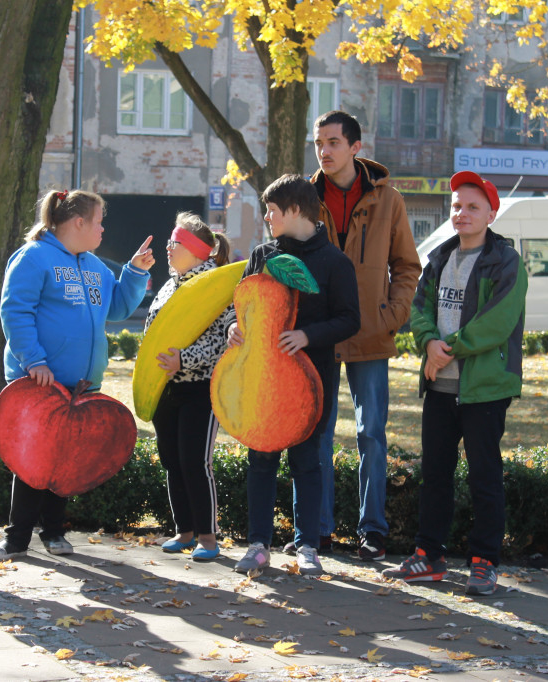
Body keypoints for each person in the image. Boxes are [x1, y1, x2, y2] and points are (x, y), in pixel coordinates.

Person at [0, 189, 154, 561]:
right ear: (78, 222)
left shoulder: (94, 266)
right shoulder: (33, 257)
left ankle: (54, 532)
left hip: (80, 386)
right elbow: (15, 311)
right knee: (33, 463)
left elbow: (117, 307)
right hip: (40, 383)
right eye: (98, 221)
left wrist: (135, 272)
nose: (102, 229)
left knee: (66, 461)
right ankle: (15, 540)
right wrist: (34, 361)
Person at [382, 171, 526, 596]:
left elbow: (497, 322)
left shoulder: (506, 262)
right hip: (441, 387)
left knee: (485, 477)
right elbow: (419, 307)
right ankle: (429, 556)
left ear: (491, 214)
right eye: (456, 207)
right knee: (436, 475)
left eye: (472, 207)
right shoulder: (441, 257)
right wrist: (429, 344)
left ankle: (484, 562)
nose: (462, 214)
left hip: (485, 389)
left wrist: (451, 348)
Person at [305, 110, 422, 562]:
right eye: (319, 143)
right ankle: (320, 529)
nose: (325, 151)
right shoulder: (305, 196)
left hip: (371, 333)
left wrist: (392, 313)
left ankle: (372, 530)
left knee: (372, 434)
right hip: (319, 335)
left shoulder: (388, 199)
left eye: (333, 142)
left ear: (355, 146)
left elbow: (407, 265)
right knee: (319, 433)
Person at [228, 174, 360, 576]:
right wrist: (237, 325)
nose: (267, 217)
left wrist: (307, 335)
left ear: (295, 210)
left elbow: (350, 319)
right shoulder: (262, 255)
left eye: (271, 210)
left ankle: (307, 547)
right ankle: (257, 545)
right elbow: (243, 302)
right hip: (263, 380)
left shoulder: (335, 263)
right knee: (261, 460)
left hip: (310, 381)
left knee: (307, 461)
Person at [145, 213, 232, 562]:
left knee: (195, 462)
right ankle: (184, 531)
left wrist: (186, 359)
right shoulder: (170, 284)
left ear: (196, 250)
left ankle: (208, 538)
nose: (167, 248)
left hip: (200, 388)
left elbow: (225, 338)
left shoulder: (214, 285)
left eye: (174, 243)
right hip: (167, 390)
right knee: (172, 460)